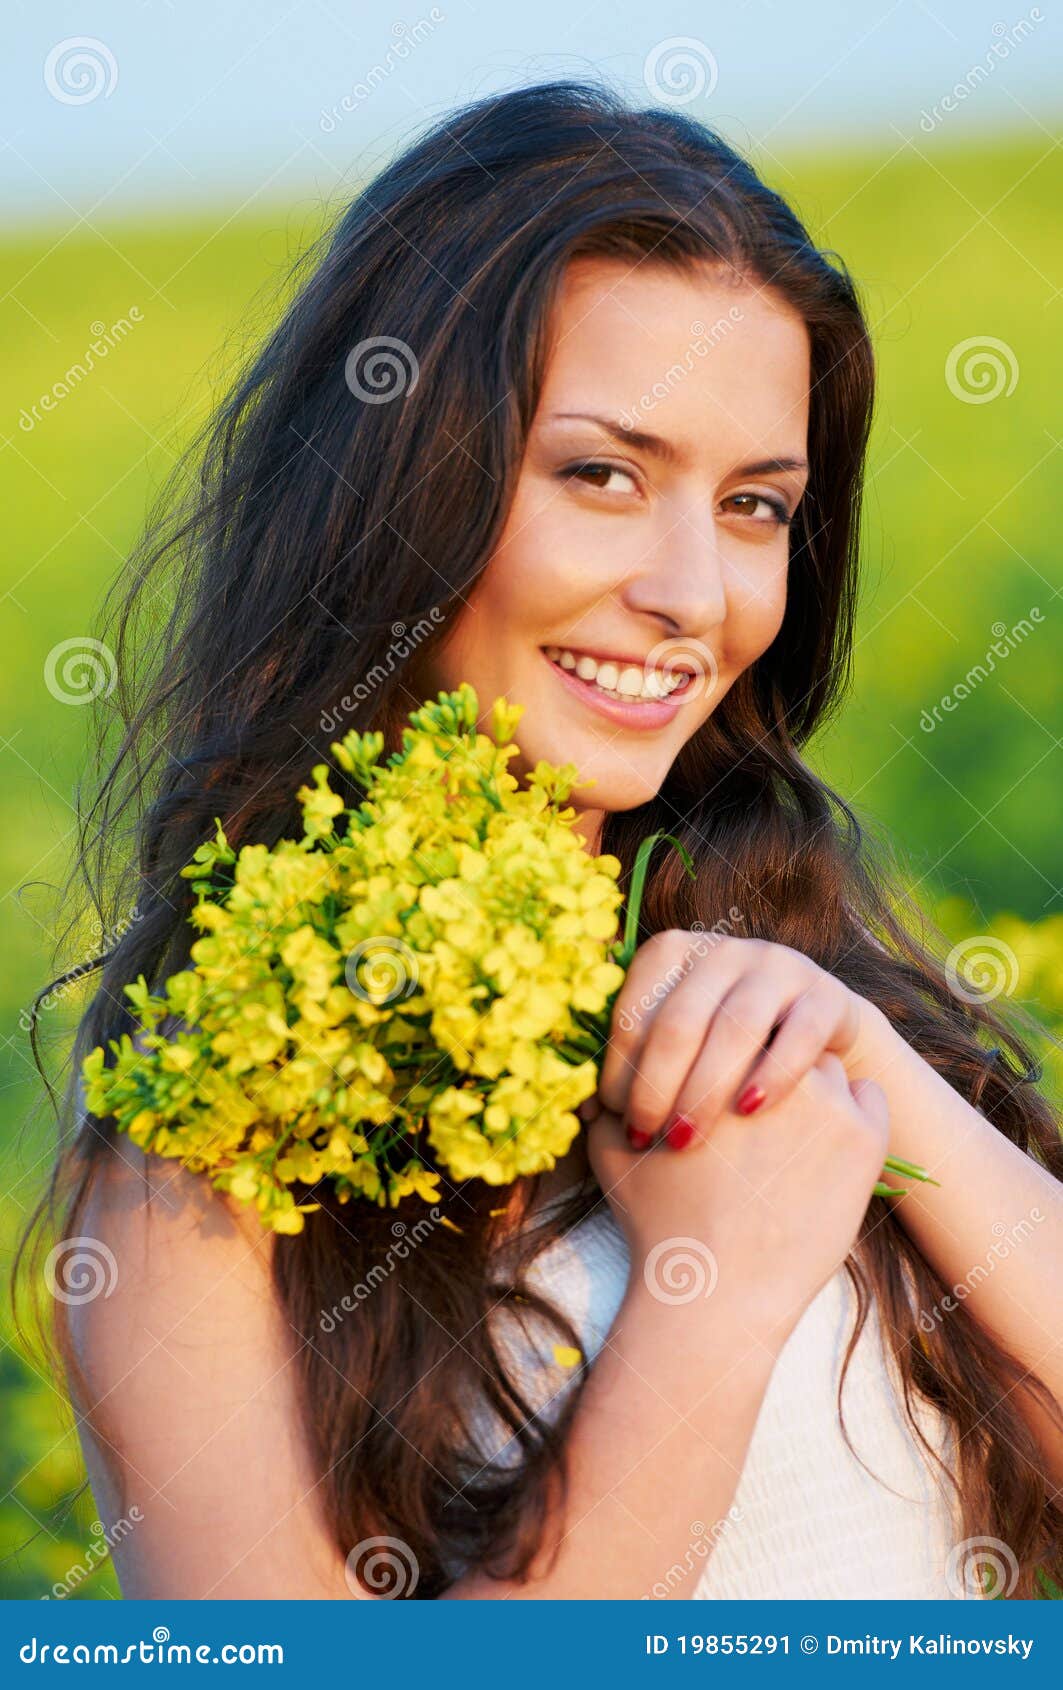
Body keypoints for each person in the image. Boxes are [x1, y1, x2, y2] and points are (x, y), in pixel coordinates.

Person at [16, 79, 1062, 1601]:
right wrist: (710, 1298)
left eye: (760, 503)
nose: (696, 592)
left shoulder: (797, 973)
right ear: (395, 491)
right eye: (603, 475)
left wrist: (864, 1055)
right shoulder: (193, 1184)